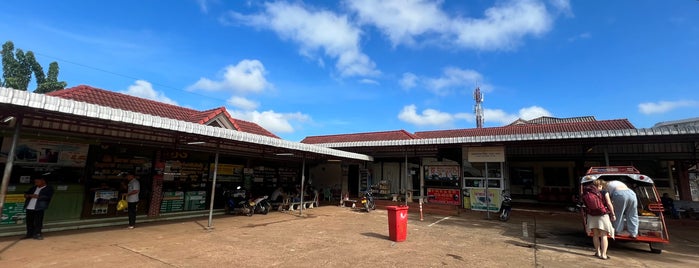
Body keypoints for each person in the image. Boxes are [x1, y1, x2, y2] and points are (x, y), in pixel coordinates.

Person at [584, 179, 615, 260]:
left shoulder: (588, 192)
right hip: (602, 215)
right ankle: (603, 255)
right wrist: (613, 214)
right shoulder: (604, 192)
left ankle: (598, 252)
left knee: (595, 235)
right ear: (600, 185)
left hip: (591, 215)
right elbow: (609, 203)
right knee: (604, 235)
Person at [23, 174, 54, 240]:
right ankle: (29, 234)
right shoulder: (33, 187)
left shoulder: (48, 188)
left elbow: (47, 197)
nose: (36, 183)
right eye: (35, 182)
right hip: (29, 207)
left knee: (38, 221)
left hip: (39, 207)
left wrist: (38, 196)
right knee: (29, 221)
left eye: (37, 182)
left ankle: (37, 234)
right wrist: (29, 195)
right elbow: (25, 194)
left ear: (43, 181)